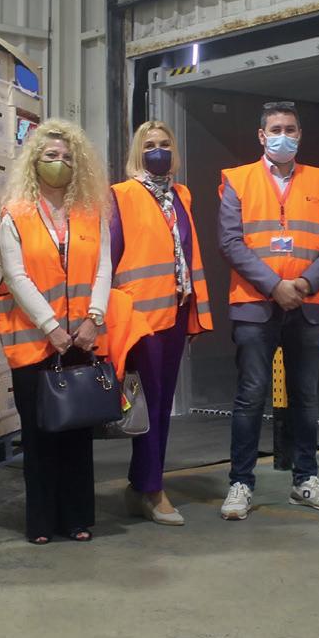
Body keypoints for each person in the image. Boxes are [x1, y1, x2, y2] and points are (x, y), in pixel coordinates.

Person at [0, 118, 148, 543]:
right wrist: (51, 327)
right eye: (50, 155)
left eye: (66, 156)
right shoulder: (15, 213)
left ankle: (77, 518)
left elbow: (103, 267)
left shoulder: (91, 211)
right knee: (39, 434)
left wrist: (93, 318)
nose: (59, 162)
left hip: (83, 338)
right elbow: (16, 275)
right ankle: (42, 523)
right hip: (34, 343)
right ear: (34, 161)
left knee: (78, 433)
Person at [217, 100, 319, 520]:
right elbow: (230, 241)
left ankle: (305, 479)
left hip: (308, 305)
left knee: (305, 398)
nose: (284, 136)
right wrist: (275, 286)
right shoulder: (238, 180)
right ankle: (240, 483)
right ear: (261, 135)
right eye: (276, 129)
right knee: (250, 396)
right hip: (255, 306)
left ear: (300, 134)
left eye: (291, 129)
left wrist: (305, 284)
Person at [110, 121, 213, 526]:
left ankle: (143, 484)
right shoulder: (121, 195)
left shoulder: (181, 195)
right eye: (149, 144)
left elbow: (187, 254)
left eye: (165, 143)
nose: (158, 150)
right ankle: (151, 490)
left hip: (175, 312)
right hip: (140, 318)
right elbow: (111, 259)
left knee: (160, 404)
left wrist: (193, 310)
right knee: (147, 405)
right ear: (137, 152)